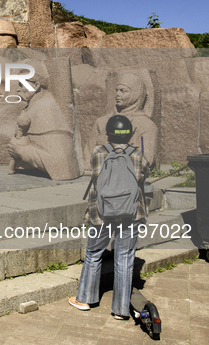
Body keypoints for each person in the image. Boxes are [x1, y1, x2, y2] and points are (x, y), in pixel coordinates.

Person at [69, 115, 149, 320]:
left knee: (94, 253)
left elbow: (96, 178)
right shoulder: (138, 155)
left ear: (108, 133)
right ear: (130, 134)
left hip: (101, 213)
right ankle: (121, 310)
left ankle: (85, 299)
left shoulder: (98, 152)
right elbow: (143, 178)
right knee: (124, 258)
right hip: (131, 213)